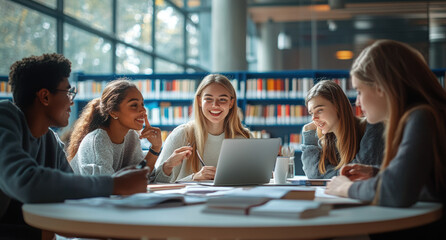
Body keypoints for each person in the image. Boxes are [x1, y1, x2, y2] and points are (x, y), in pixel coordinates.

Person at [0, 54, 149, 239]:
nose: (71, 101)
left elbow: (72, 196)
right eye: (67, 92)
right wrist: (114, 184)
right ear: (45, 96)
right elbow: (27, 182)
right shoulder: (5, 118)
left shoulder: (50, 140)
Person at [325, 40, 446, 238]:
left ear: (381, 87)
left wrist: (348, 188)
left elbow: (396, 192)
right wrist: (376, 173)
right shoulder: (427, 115)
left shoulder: (422, 117)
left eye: (360, 90)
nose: (357, 101)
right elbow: (429, 184)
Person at [67, 79, 191, 176]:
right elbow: (107, 187)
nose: (143, 110)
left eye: (142, 104)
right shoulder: (98, 140)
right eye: (134, 105)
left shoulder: (131, 136)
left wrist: (156, 149)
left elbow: (141, 177)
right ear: (113, 112)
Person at [154, 74, 251, 183]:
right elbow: (156, 182)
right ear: (200, 101)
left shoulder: (244, 137)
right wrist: (193, 178)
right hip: (190, 199)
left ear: (231, 103)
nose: (215, 105)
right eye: (208, 99)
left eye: (222, 99)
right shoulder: (182, 135)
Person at [301, 80, 384, 179]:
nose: (314, 118)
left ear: (338, 106)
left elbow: (355, 173)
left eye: (319, 110)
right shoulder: (326, 140)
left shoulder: (371, 127)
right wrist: (308, 134)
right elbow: (314, 174)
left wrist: (329, 174)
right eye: (311, 113)